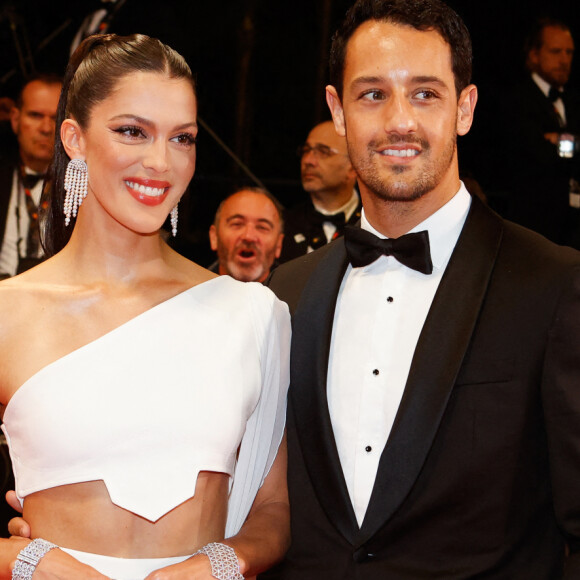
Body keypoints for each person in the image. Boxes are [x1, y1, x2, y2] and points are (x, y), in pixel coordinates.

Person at [265, 0, 580, 577]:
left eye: (426, 93)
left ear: (465, 108)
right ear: (338, 110)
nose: (399, 122)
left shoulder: (555, 284)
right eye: (373, 94)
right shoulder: (288, 291)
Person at [0, 33, 290, 580]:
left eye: (182, 139)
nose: (160, 162)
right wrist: (22, 558)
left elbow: (272, 512)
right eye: (132, 131)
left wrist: (214, 567)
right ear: (74, 139)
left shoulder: (250, 314)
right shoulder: (9, 312)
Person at [505, 17, 580, 245]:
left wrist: (560, 141)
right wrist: (573, 147)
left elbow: (559, 152)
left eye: (569, 52)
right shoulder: (516, 99)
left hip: (573, 225)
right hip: (534, 223)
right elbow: (537, 153)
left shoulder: (574, 99)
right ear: (534, 55)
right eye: (556, 51)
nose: (564, 60)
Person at [0, 75, 62, 278]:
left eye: (55, 118)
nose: (46, 128)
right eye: (35, 115)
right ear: (16, 120)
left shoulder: (83, 186)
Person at [279, 120, 359, 263]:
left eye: (323, 152)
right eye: (306, 150)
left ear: (353, 167)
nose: (308, 160)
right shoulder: (283, 226)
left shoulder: (376, 225)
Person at [208, 187, 284, 282]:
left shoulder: (296, 295)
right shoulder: (189, 293)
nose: (249, 236)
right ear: (214, 237)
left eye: (262, 227)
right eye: (237, 224)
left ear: (278, 244)